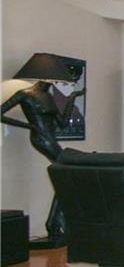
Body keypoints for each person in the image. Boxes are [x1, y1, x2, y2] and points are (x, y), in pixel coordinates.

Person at [1, 80, 85, 241]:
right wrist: (29, 126)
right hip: (41, 139)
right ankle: (54, 223)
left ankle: (53, 223)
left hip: (51, 139)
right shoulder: (24, 94)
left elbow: (62, 123)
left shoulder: (48, 96)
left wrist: (72, 98)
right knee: (67, 174)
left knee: (65, 176)